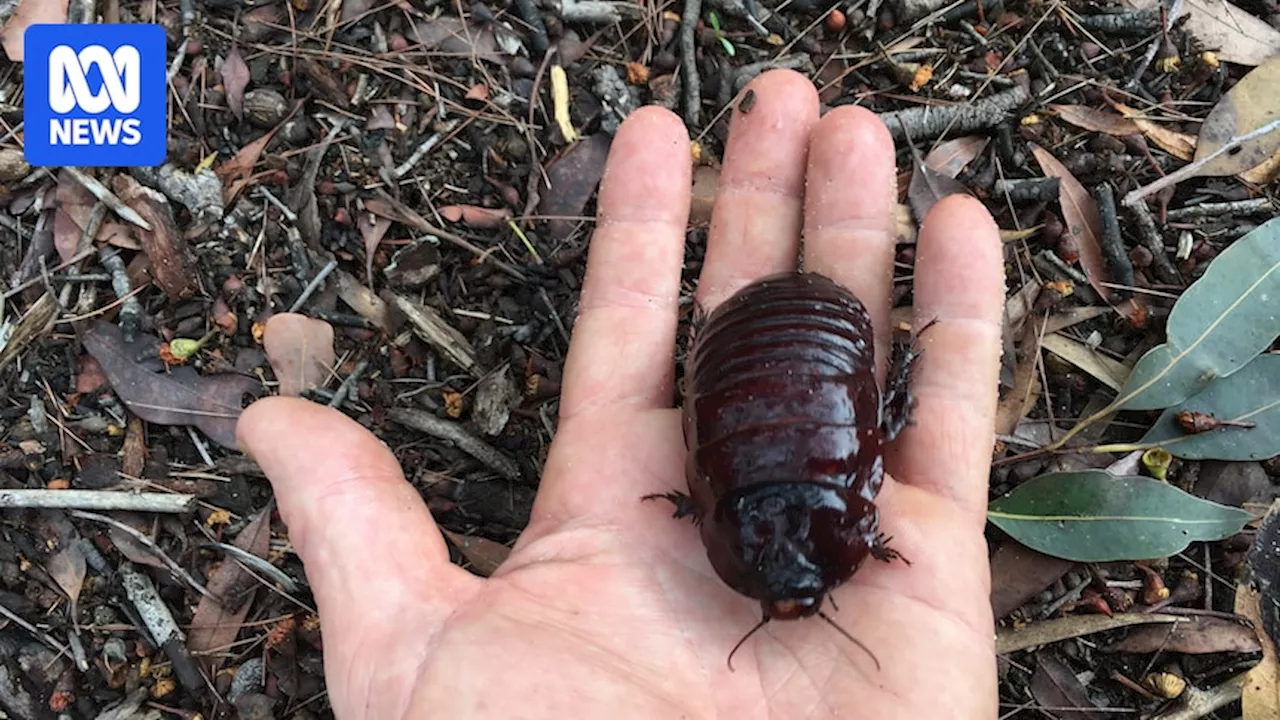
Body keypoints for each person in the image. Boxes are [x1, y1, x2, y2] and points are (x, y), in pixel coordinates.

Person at [236, 68, 1005, 719]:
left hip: (767, 350)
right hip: (795, 347)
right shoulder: (820, 526)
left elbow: (829, 457)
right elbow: (815, 461)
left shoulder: (803, 525)